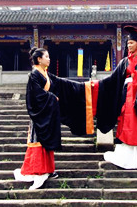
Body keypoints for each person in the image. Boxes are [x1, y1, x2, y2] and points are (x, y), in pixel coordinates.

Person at [14, 47, 94, 189]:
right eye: (46, 56)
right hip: (39, 115)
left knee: (46, 142)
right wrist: (52, 97)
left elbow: (62, 83)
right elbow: (36, 96)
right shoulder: (34, 75)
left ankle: (48, 169)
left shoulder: (45, 73)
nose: (49, 59)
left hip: (47, 113)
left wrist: (84, 87)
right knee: (38, 142)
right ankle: (37, 170)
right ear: (39, 59)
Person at [92, 26, 137, 169]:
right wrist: (97, 85)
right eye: (127, 43)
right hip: (126, 99)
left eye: (131, 43)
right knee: (126, 123)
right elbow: (113, 80)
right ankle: (125, 153)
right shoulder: (124, 63)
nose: (129, 46)